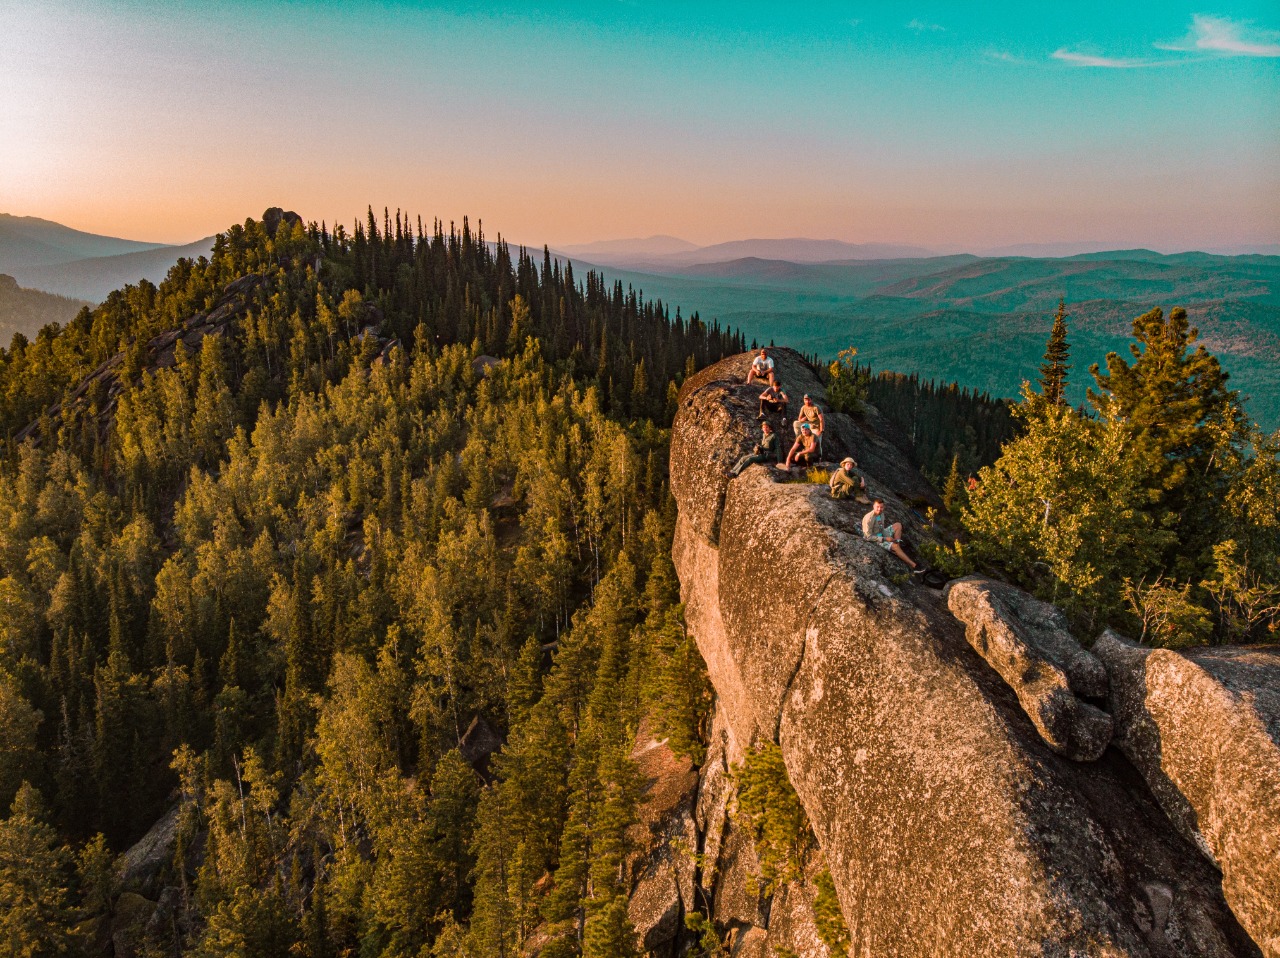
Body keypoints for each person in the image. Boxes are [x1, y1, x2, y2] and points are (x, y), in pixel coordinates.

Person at [862, 499, 924, 572]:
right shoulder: (869, 518)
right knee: (895, 546)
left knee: (898, 525)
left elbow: (881, 528)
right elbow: (867, 537)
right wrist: (885, 539)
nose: (879, 509)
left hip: (881, 533)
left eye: (881, 507)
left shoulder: (881, 514)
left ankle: (897, 548)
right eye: (877, 507)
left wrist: (888, 537)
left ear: (883, 507)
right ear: (873, 506)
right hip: (875, 539)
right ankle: (914, 566)